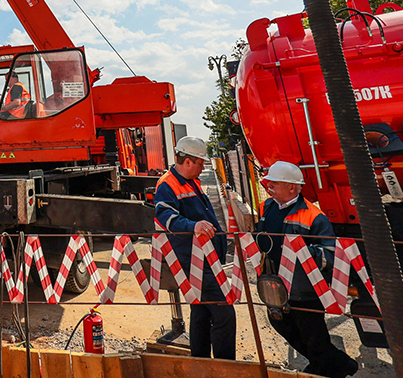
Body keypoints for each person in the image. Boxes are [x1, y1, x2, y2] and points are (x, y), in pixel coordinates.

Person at [256, 161, 358, 378]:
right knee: (283, 327)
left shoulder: (314, 216)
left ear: (292, 187)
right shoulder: (267, 208)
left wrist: (302, 252)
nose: (268, 186)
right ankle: (339, 364)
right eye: (268, 182)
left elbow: (329, 254)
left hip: (304, 291)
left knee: (313, 336)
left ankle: (328, 369)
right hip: (277, 287)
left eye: (274, 183)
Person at [152, 136, 236, 359]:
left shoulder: (190, 181)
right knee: (224, 312)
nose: (202, 167)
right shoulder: (168, 184)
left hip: (204, 259)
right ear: (188, 161)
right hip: (193, 261)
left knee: (200, 312)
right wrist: (193, 226)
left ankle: (200, 362)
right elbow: (165, 217)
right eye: (200, 163)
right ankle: (226, 368)